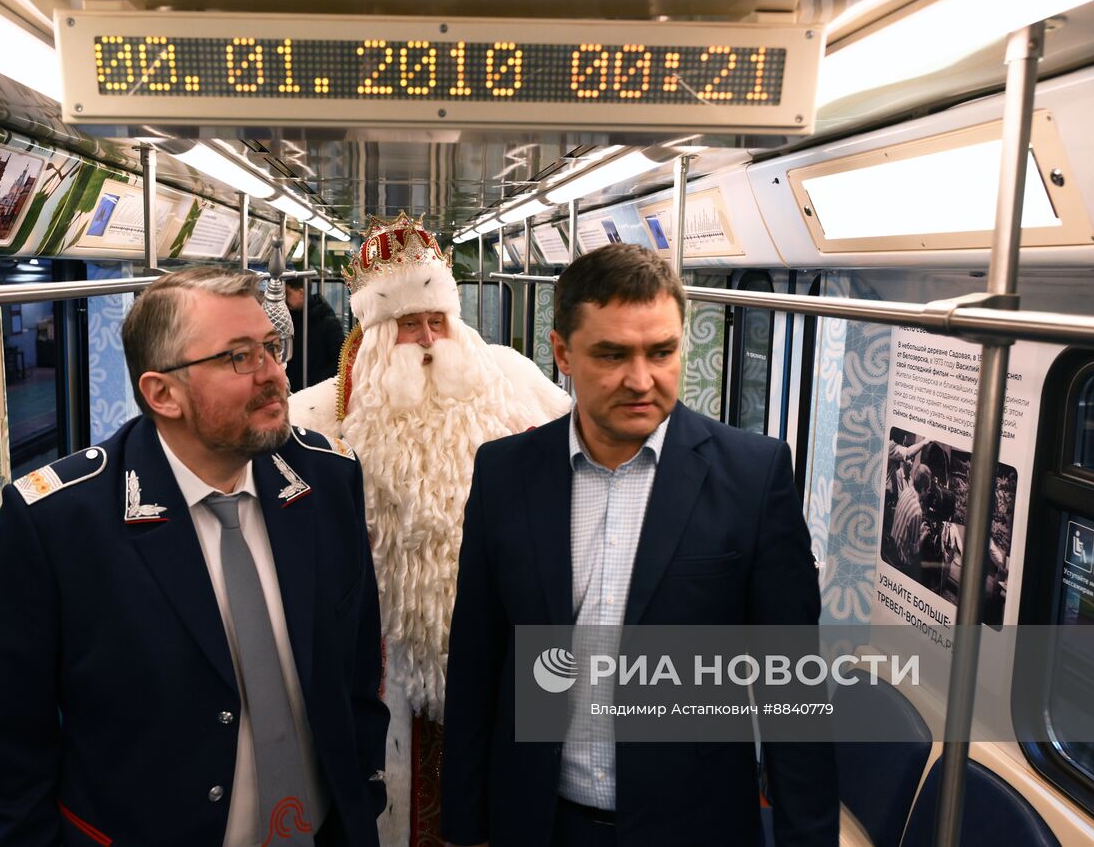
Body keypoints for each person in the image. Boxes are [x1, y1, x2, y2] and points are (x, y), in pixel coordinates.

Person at [0, 267, 388, 847]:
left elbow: (356, 669)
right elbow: (5, 757)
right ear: (162, 393)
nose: (275, 376)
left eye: (271, 346)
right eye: (240, 357)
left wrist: (363, 795)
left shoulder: (326, 479)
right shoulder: (56, 528)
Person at [442, 243, 838, 847]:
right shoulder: (506, 473)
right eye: (611, 354)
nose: (641, 379)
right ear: (562, 354)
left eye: (662, 352)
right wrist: (465, 827)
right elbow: (477, 662)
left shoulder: (752, 478)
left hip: (694, 823)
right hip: (540, 818)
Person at [287, 212, 568, 846]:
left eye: (436, 320)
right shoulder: (318, 412)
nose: (427, 339)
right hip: (383, 649)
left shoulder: (516, 381)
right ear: (376, 331)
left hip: (506, 637)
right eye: (408, 324)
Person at [287, 276, 345, 394]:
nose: (284, 299)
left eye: (287, 294)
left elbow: (340, 362)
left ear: (301, 293)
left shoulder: (328, 323)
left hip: (316, 392)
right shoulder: (289, 319)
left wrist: (316, 387)